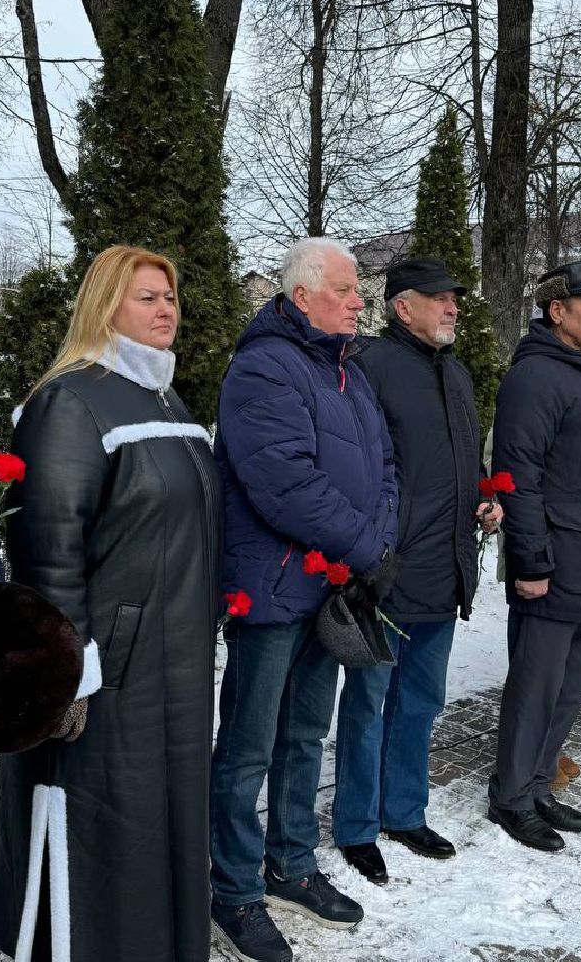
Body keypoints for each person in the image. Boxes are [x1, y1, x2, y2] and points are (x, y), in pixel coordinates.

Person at [0, 246, 222, 961]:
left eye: (170, 298)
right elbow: (48, 545)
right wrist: (66, 669)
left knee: (165, 819)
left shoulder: (164, 397)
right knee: (108, 821)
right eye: (146, 297)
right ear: (104, 306)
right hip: (109, 673)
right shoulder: (70, 400)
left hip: (174, 662)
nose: (165, 311)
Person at [210, 238, 397, 962]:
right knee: (249, 747)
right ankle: (233, 889)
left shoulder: (349, 372)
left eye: (359, 292)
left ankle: (290, 864)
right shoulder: (263, 368)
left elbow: (385, 465)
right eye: (347, 290)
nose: (359, 302)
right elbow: (283, 482)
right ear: (301, 297)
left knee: (301, 737)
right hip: (274, 587)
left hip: (332, 586)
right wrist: (367, 547)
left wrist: (376, 539)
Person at [333, 258, 502, 886]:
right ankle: (355, 826)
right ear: (403, 306)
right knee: (369, 701)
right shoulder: (369, 366)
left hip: (444, 566)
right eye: (440, 299)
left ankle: (404, 813)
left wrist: (483, 498)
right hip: (386, 570)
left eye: (455, 298)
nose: (453, 308)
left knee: (422, 702)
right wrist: (372, 551)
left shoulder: (456, 375)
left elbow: (456, 464)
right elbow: (358, 469)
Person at [489, 260, 581, 853]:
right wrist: (530, 563)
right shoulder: (536, 378)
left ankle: (540, 780)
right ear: (558, 311)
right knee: (536, 686)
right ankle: (512, 798)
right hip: (554, 567)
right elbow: (516, 478)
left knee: (572, 686)